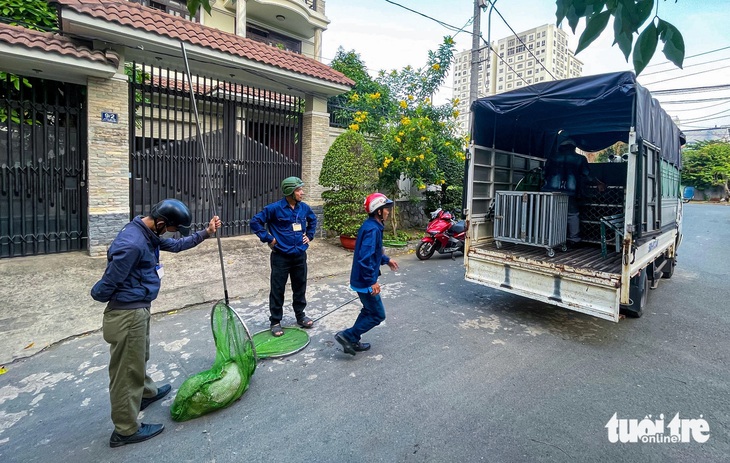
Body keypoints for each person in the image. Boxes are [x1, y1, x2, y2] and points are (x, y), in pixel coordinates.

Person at [91, 199, 221, 448]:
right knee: (125, 373)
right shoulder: (132, 244)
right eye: (171, 228)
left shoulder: (147, 231)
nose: (171, 233)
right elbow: (105, 286)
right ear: (161, 223)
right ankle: (125, 430)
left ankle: (144, 394)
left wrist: (206, 233)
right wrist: (113, 294)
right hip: (127, 314)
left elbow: (176, 244)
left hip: (138, 308)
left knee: (139, 357)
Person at [250, 176, 317, 337]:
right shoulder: (274, 209)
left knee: (300, 287)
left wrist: (309, 235)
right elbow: (255, 222)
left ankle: (300, 315)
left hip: (300, 255)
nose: (302, 192)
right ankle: (275, 321)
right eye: (299, 189)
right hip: (281, 256)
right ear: (289, 192)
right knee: (277, 289)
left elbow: (313, 220)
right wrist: (269, 238)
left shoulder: (304, 208)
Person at [335, 193, 399, 356]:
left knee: (368, 310)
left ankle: (353, 338)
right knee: (378, 314)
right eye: (386, 209)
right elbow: (365, 258)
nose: (388, 212)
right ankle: (348, 335)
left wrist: (386, 259)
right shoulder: (372, 229)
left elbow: (373, 252)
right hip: (364, 280)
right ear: (378, 211)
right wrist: (372, 281)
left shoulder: (372, 225)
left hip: (361, 278)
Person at [542, 136, 605, 246]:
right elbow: (587, 174)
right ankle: (574, 239)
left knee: (552, 214)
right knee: (572, 214)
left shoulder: (552, 158)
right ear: (573, 147)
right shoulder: (580, 159)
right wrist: (599, 183)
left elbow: (544, 174)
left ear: (561, 147)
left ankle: (551, 238)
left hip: (550, 190)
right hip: (569, 190)